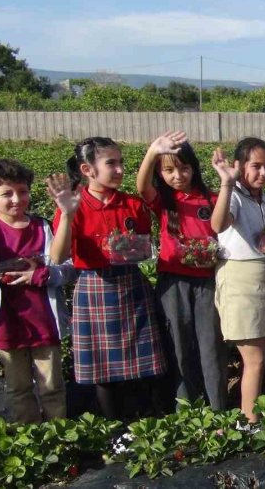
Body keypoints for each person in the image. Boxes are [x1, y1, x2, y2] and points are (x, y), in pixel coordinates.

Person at [51, 138, 167, 420]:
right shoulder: (75, 205)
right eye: (111, 163)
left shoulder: (132, 204)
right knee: (104, 368)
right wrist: (67, 214)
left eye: (121, 162)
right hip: (94, 286)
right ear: (87, 169)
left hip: (131, 283)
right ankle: (113, 427)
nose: (119, 170)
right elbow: (58, 256)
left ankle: (145, 424)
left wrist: (130, 247)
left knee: (141, 364)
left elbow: (143, 246)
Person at [0, 160, 74, 423]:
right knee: (18, 387)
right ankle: (28, 433)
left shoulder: (43, 227)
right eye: (7, 194)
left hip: (44, 321)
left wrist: (41, 275)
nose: (16, 199)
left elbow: (68, 268)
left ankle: (57, 434)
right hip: (6, 322)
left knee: (52, 386)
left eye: (22, 191)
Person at [136, 131, 227, 411]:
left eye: (184, 168)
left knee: (211, 346)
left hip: (207, 282)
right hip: (173, 282)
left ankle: (218, 408)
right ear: (160, 173)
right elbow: (141, 186)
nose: (178, 175)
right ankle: (185, 410)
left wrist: (227, 182)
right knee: (178, 346)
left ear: (194, 168)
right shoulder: (164, 201)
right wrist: (152, 152)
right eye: (169, 170)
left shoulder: (211, 199)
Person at [209, 138, 265, 422]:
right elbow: (218, 225)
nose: (263, 173)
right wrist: (226, 183)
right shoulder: (233, 195)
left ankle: (251, 418)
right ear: (239, 166)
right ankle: (250, 423)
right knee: (254, 360)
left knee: (259, 357)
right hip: (241, 280)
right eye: (256, 166)